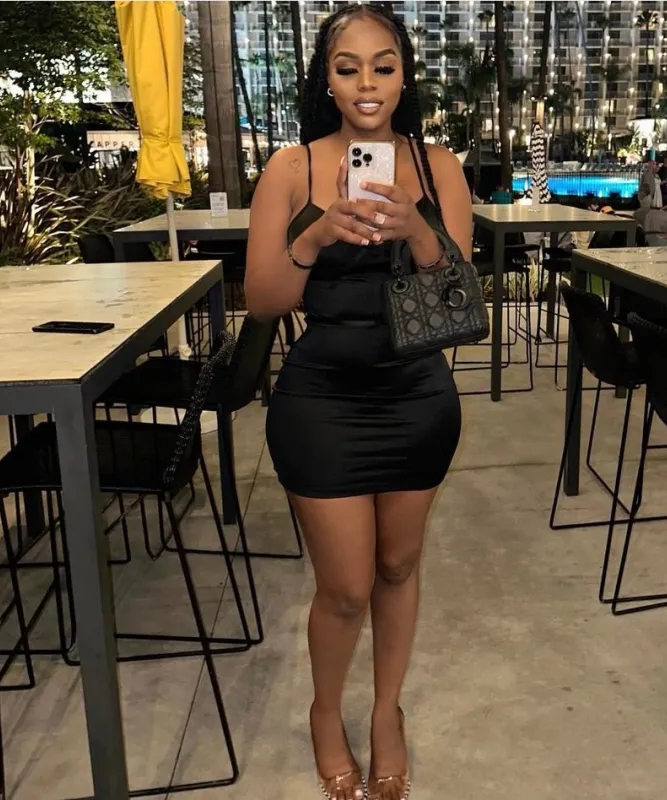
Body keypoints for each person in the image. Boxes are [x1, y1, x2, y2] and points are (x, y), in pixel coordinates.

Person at [244, 5, 471, 799]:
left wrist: (417, 231)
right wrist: (313, 236)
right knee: (345, 587)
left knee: (399, 565)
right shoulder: (291, 169)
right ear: (327, 82)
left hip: (417, 395)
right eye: (348, 68)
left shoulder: (437, 167)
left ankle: (384, 713)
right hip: (321, 401)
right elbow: (263, 303)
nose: (366, 83)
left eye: (383, 65)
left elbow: (458, 300)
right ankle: (323, 712)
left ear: (404, 76)